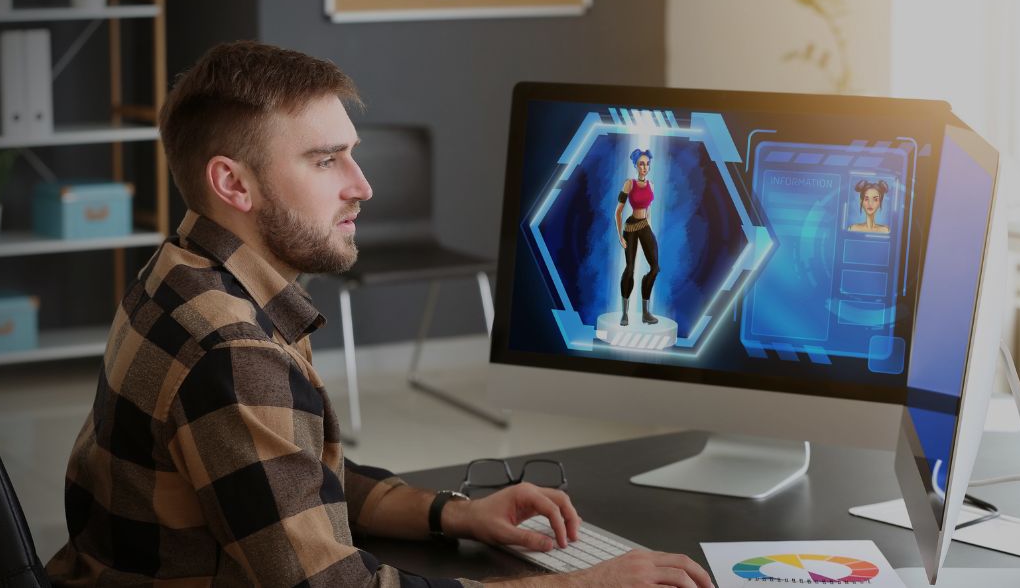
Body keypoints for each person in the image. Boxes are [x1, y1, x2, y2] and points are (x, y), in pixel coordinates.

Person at [44, 41, 712, 588]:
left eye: (352, 153)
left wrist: (455, 514)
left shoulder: (181, 273)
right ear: (232, 184)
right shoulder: (232, 349)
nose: (362, 185)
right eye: (325, 159)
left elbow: (293, 481)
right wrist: (581, 583)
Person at [614, 148, 661, 326]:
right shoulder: (629, 183)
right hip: (630, 227)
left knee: (655, 268)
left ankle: (646, 313)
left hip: (645, 226)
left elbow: (649, 211)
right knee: (630, 268)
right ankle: (625, 313)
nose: (644, 167)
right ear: (635, 165)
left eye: (647, 164)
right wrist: (620, 236)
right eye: (641, 164)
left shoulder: (652, 185)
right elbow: (618, 211)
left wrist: (650, 229)